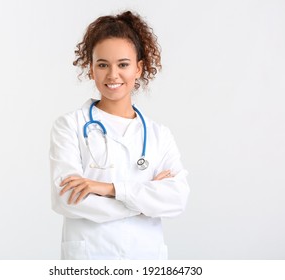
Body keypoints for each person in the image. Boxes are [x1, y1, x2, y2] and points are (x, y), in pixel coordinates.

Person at [50, 10, 190, 260]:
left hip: (145, 259)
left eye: (123, 64)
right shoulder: (69, 126)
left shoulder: (160, 135)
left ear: (138, 69)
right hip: (90, 260)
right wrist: (143, 201)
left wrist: (107, 188)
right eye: (103, 64)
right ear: (91, 69)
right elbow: (67, 199)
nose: (113, 75)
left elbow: (177, 199)